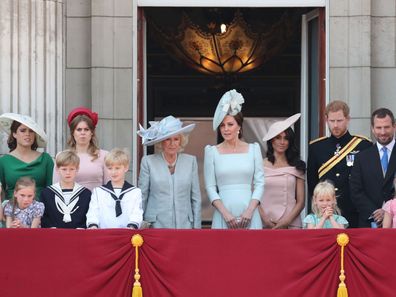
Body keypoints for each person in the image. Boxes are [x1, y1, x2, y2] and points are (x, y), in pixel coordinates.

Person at [204, 89, 264, 229]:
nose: (226, 129)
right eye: (222, 125)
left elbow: (260, 183)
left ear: (239, 126)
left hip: (250, 213)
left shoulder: (254, 149)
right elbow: (210, 187)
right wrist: (225, 214)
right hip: (223, 213)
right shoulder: (211, 152)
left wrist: (250, 211)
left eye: (230, 124)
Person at [307, 100, 371, 228]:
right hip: (326, 214)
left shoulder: (364, 145)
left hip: (355, 211)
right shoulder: (316, 147)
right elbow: (312, 183)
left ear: (348, 119)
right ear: (326, 120)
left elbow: (368, 181)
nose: (335, 125)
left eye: (339, 120)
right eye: (332, 121)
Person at [137, 115, 201, 228]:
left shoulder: (190, 161)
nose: (172, 143)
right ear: (161, 142)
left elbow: (196, 198)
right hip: (156, 226)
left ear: (181, 141)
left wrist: (197, 228)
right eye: (168, 139)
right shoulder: (148, 162)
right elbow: (142, 196)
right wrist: (139, 224)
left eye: (176, 139)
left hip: (185, 226)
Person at [350, 108, 396, 228]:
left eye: (386, 127)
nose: (382, 132)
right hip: (369, 223)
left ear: (394, 126)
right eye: (378, 128)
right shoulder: (362, 157)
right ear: (372, 128)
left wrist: (387, 211)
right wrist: (375, 212)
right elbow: (356, 191)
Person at [259, 114, 305, 229]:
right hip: (264, 223)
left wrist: (287, 221)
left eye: (286, 138)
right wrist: (265, 219)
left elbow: (301, 201)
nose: (282, 142)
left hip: (291, 224)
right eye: (278, 138)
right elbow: (254, 199)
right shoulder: (260, 165)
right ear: (271, 140)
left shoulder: (297, 166)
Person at [53, 107, 109, 191]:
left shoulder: (104, 156)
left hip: (97, 202)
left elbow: (109, 185)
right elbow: (56, 186)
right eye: (79, 129)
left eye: (86, 129)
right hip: (71, 202)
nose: (82, 133)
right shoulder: (62, 156)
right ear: (73, 133)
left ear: (92, 132)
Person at [0, 113, 54, 200]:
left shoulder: (46, 159)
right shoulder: (3, 161)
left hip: (41, 210)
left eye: (31, 131)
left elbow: (52, 189)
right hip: (11, 210)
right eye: (23, 130)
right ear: (14, 134)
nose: (28, 134)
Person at [86, 148, 143, 229]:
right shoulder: (98, 192)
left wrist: (132, 226)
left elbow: (136, 213)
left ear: (126, 168)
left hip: (127, 234)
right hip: (104, 234)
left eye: (117, 168)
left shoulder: (135, 192)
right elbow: (93, 212)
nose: (113, 172)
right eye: (110, 168)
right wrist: (93, 225)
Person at [41, 150, 91, 228]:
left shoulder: (86, 194)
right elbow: (44, 217)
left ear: (77, 169)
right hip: (54, 236)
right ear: (57, 169)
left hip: (79, 236)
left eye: (71, 169)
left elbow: (88, 216)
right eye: (64, 169)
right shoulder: (47, 193)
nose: (68, 173)